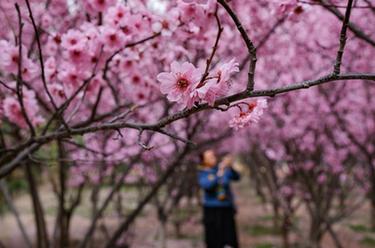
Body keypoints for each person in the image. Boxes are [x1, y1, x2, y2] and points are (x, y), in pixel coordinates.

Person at [198, 150, 240, 248]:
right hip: (211, 210)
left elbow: (236, 177)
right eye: (210, 157)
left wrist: (230, 167)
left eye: (214, 156)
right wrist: (219, 174)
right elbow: (207, 186)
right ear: (204, 160)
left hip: (226, 208)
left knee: (229, 237)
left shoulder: (222, 169)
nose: (214, 158)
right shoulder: (203, 173)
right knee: (214, 238)